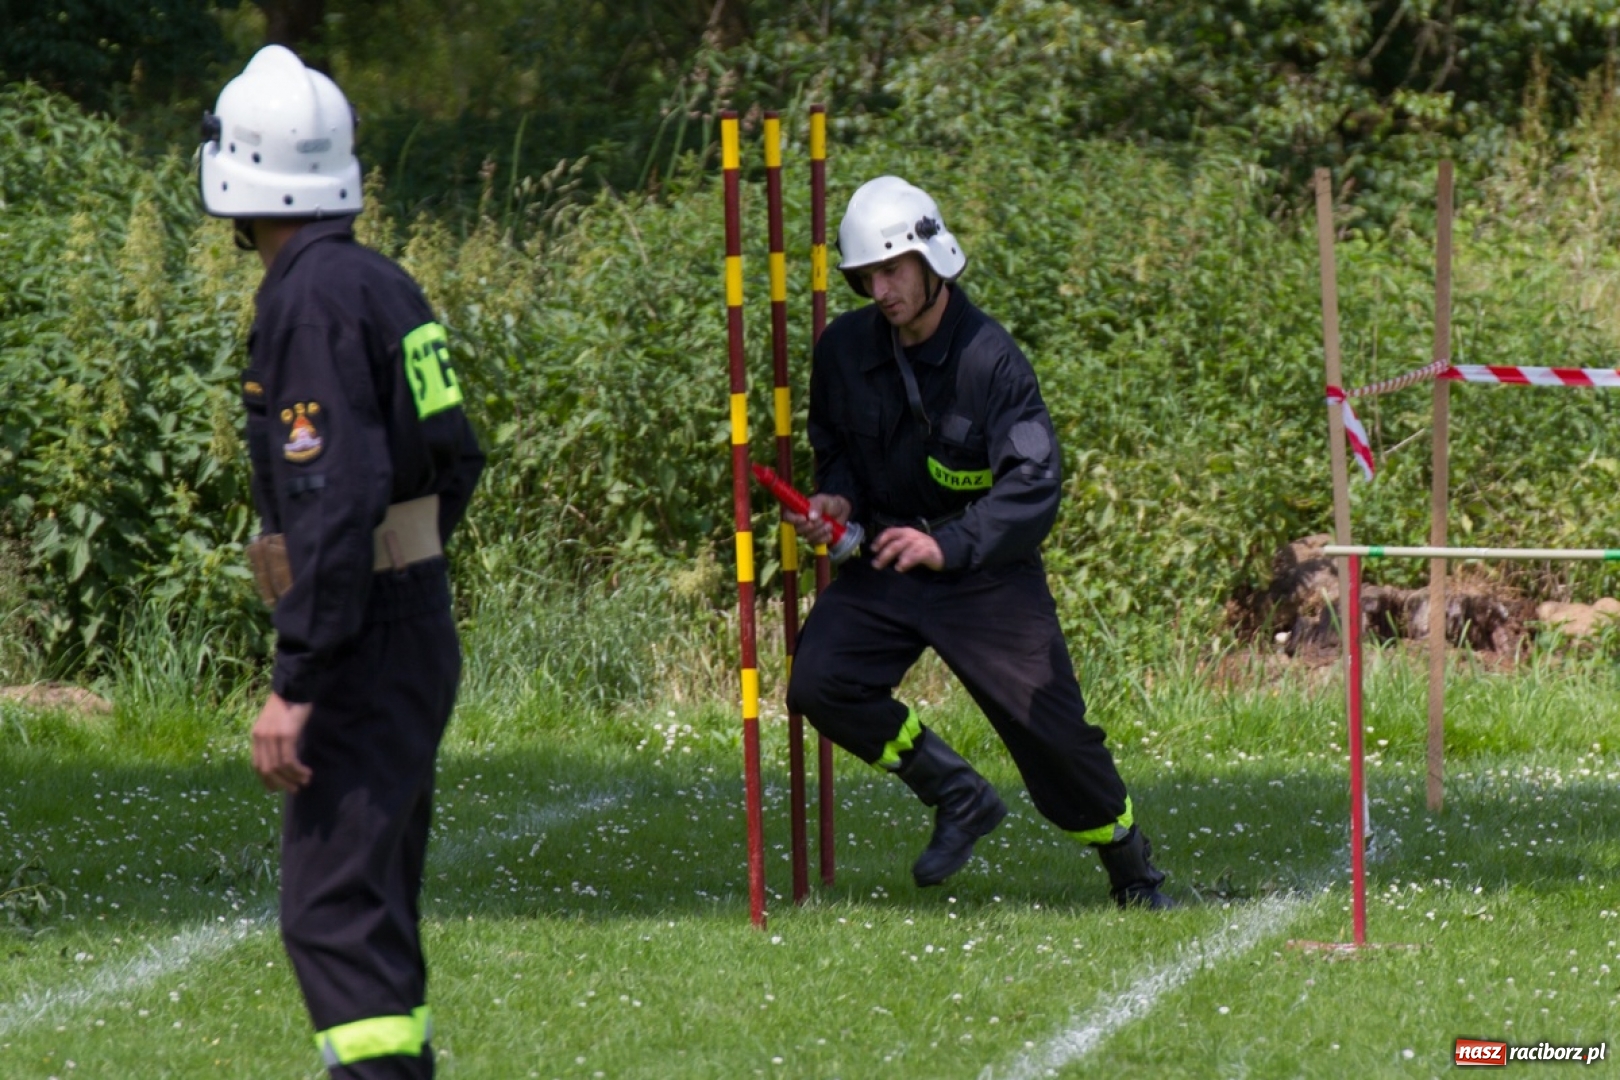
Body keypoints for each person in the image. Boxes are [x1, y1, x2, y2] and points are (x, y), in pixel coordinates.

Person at [200, 45, 485, 1077]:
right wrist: (404, 569)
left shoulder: (307, 302)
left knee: (331, 914)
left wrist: (300, 675)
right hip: (410, 618)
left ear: (237, 172)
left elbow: (332, 496)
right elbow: (456, 455)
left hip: (361, 641)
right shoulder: (377, 282)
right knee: (369, 903)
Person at [783, 176, 1173, 909]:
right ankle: (957, 792)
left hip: (986, 571)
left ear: (935, 262)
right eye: (867, 275)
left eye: (893, 270)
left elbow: (1034, 486)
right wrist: (834, 498)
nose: (881, 289)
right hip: (886, 563)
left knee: (1055, 738)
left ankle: (1130, 865)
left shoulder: (992, 360)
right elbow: (833, 448)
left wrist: (949, 545)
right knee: (818, 681)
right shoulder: (840, 351)